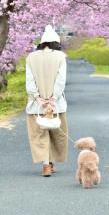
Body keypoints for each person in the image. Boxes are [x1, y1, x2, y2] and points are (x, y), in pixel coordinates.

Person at [25, 25, 68, 177]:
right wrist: (53, 98)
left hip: (36, 105)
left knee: (39, 134)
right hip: (56, 104)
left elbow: (29, 82)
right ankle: (50, 164)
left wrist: (38, 98)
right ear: (56, 43)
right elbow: (61, 80)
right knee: (56, 134)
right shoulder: (60, 57)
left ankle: (46, 165)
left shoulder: (31, 57)